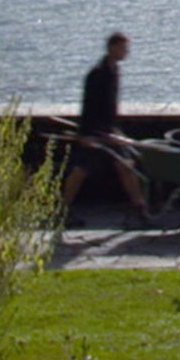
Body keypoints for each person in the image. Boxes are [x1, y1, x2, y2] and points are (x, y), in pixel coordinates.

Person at [61, 31, 150, 221]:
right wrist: (86, 135)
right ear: (112, 48)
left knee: (126, 165)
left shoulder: (114, 70)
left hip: (109, 130)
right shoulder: (97, 74)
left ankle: (139, 207)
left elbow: (110, 106)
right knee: (81, 170)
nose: (126, 52)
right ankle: (62, 210)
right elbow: (88, 106)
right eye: (123, 48)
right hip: (94, 132)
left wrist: (114, 129)